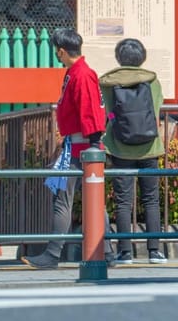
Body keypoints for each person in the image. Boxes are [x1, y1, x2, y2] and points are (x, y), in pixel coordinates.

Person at [22, 28, 114, 269]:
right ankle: (109, 252)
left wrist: (92, 145)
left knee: (63, 200)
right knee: (93, 201)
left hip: (82, 147)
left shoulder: (80, 75)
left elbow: (89, 113)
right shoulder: (78, 73)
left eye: (57, 51)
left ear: (62, 51)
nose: (57, 55)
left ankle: (53, 254)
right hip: (80, 144)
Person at [99, 38, 168, 265]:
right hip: (149, 147)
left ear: (119, 57)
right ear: (142, 57)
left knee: (123, 202)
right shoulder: (152, 80)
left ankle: (125, 253)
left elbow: (109, 112)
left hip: (120, 147)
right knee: (151, 200)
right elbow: (156, 108)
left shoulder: (109, 82)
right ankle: (155, 251)